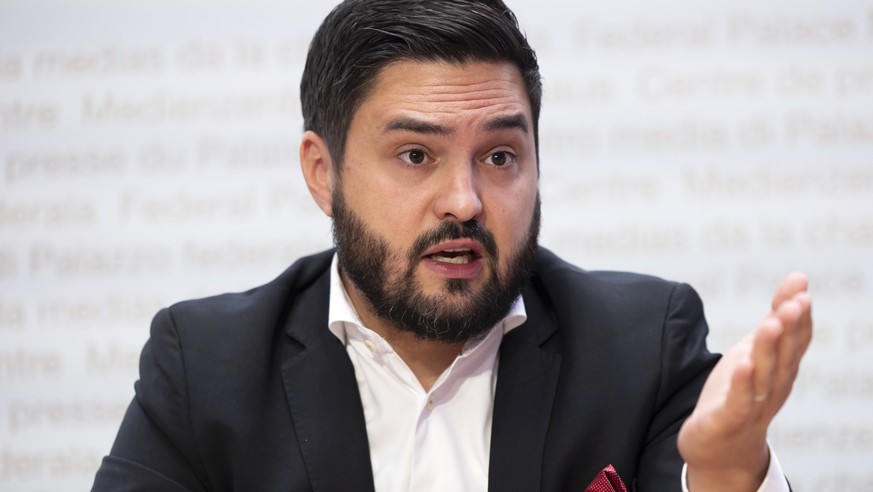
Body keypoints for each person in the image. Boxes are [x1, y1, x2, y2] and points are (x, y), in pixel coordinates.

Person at [92, 0, 813, 490]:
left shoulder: (640, 346)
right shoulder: (208, 365)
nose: (464, 201)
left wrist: (723, 475)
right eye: (415, 156)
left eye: (499, 157)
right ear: (324, 172)